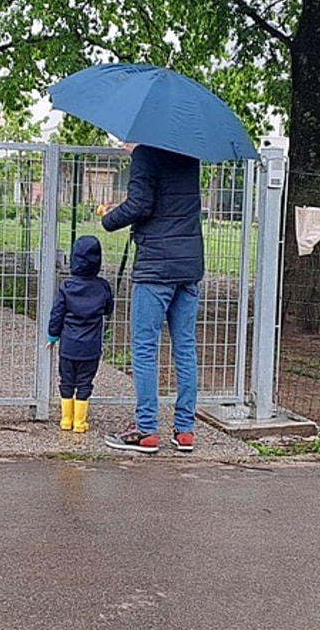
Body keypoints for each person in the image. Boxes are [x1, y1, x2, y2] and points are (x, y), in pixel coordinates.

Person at [97, 143, 203, 454]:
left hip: (156, 266)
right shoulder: (189, 153)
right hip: (189, 264)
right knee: (185, 347)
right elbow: (167, 203)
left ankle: (146, 429)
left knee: (144, 347)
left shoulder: (146, 153)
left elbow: (141, 205)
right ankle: (185, 431)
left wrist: (108, 217)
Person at [46, 235, 114, 433]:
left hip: (68, 346)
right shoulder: (103, 287)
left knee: (66, 380)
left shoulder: (67, 286)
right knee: (85, 382)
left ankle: (66, 419)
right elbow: (108, 309)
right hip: (91, 348)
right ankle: (80, 422)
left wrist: (52, 335)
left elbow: (57, 313)